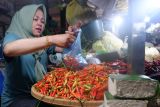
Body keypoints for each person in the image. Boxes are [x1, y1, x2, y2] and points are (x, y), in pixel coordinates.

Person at [1, 4, 76, 107]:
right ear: (25, 19)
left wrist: (70, 38)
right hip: (16, 99)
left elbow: (62, 47)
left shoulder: (40, 41)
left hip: (39, 93)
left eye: (42, 21)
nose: (39, 23)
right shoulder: (13, 36)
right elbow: (8, 49)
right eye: (35, 19)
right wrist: (51, 39)